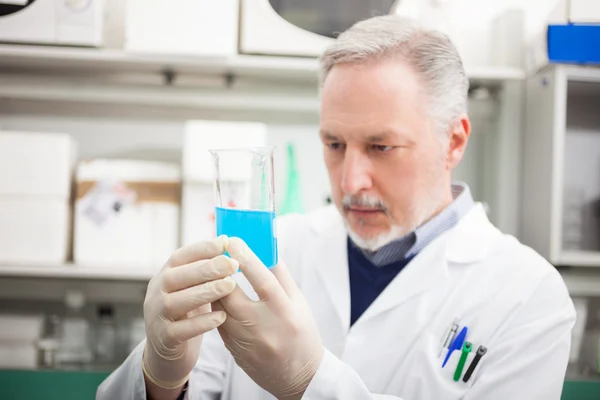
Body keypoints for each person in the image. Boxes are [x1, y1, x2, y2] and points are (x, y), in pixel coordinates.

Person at [97, 15, 575, 400]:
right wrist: (161, 378)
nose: (350, 180)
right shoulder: (276, 248)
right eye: (334, 143)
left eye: (380, 146)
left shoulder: (529, 297)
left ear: (453, 141)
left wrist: (309, 382)